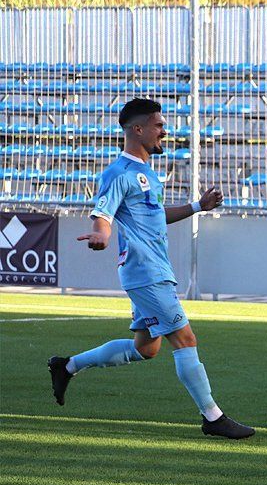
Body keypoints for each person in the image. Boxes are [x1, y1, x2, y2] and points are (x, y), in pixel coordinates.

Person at [47, 98, 255, 440]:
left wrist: (197, 206)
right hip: (145, 273)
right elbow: (103, 214)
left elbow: (155, 216)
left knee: (146, 349)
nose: (164, 131)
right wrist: (100, 234)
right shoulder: (120, 173)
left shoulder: (146, 173)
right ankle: (213, 417)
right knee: (185, 338)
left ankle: (66, 366)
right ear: (137, 129)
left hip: (154, 269)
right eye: (158, 125)